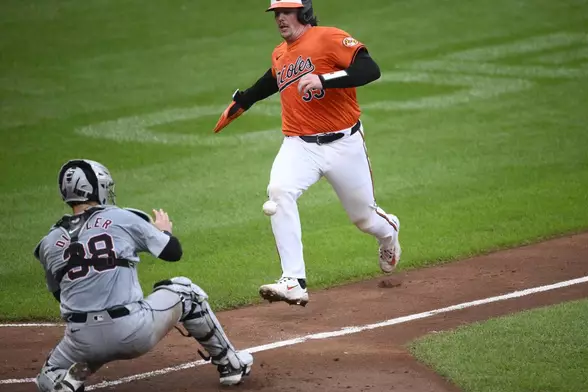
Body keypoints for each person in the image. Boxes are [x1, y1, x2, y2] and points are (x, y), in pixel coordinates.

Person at [213, 0, 401, 307]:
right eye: (277, 14)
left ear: (303, 12)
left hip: (344, 144)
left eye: (286, 12)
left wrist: (324, 79)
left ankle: (389, 232)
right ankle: (294, 281)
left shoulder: (328, 37)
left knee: (364, 218)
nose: (280, 19)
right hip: (299, 145)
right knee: (279, 190)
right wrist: (243, 101)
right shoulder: (280, 53)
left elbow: (370, 69)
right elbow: (272, 79)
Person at [33, 159, 252, 392]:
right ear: (97, 188)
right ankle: (231, 365)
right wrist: (164, 231)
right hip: (132, 331)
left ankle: (68, 381)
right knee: (186, 292)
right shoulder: (121, 218)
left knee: (48, 376)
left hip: (80, 341)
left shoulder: (49, 242)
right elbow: (172, 252)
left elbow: (60, 293)